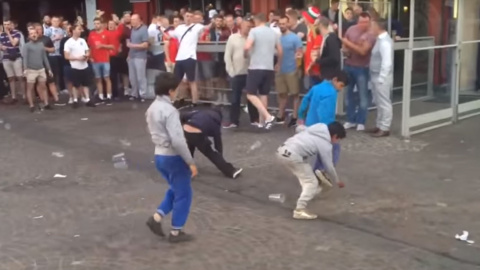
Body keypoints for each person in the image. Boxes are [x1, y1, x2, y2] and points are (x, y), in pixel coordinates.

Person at [145, 72, 198, 243]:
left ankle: (157, 217)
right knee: (184, 193)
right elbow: (178, 140)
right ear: (170, 91)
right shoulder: (170, 111)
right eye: (175, 89)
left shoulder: (151, 108)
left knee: (175, 189)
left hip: (159, 154)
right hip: (173, 157)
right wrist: (190, 162)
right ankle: (176, 231)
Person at [276, 122, 346, 220]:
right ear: (334, 136)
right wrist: (337, 180)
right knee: (311, 182)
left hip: (281, 151)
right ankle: (299, 210)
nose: (337, 142)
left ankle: (311, 192)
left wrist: (299, 126)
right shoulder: (325, 144)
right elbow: (329, 165)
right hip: (293, 157)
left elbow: (299, 128)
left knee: (306, 178)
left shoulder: (313, 129)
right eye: (338, 139)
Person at [178, 104, 243, 178]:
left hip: (186, 129)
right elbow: (218, 143)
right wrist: (220, 157)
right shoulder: (216, 125)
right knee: (210, 152)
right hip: (197, 132)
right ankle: (230, 171)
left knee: (190, 145)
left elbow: (182, 115)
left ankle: (183, 167)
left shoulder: (199, 112)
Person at [244, 13, 283, 130]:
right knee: (263, 94)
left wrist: (245, 54)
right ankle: (262, 122)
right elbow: (280, 50)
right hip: (269, 67)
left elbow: (247, 47)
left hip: (256, 67)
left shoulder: (254, 31)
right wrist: (278, 64)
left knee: (250, 94)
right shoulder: (273, 32)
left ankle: (267, 116)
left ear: (256, 20)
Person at [341, 12, 376, 131]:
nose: (363, 25)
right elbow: (344, 47)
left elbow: (363, 51)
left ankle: (361, 121)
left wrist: (348, 43)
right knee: (348, 95)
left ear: (370, 22)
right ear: (357, 21)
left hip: (362, 68)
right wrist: (346, 49)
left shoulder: (371, 34)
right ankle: (350, 119)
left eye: (366, 22)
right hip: (349, 65)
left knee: (363, 96)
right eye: (361, 22)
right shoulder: (351, 29)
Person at [223, 20, 259, 128]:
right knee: (235, 98)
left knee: (252, 97)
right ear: (241, 26)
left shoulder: (253, 39)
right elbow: (227, 55)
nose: (249, 29)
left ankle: (254, 119)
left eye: (251, 27)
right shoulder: (232, 38)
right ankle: (234, 121)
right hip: (237, 73)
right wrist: (231, 71)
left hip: (250, 72)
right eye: (248, 26)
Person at [168, 10, 206, 104]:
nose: (188, 18)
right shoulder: (180, 28)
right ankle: (171, 101)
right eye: (187, 16)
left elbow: (205, 28)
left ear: (192, 18)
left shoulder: (197, 27)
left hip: (190, 57)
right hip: (179, 58)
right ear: (184, 17)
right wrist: (161, 28)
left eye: (190, 16)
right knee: (176, 81)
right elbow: (169, 35)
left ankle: (195, 102)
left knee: (192, 81)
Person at [275, 16, 303, 127]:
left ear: (288, 24)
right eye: (280, 24)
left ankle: (295, 116)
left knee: (294, 94)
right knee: (282, 93)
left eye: (284, 23)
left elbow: (299, 54)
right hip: (280, 70)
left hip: (292, 69)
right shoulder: (277, 38)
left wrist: (297, 68)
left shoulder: (295, 38)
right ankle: (281, 114)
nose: (282, 25)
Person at [369, 18, 393, 137]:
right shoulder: (380, 40)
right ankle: (379, 124)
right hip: (376, 75)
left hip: (381, 76)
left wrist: (382, 77)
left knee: (384, 102)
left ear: (378, 27)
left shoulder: (384, 42)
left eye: (372, 26)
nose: (371, 28)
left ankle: (385, 127)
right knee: (379, 101)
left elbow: (387, 62)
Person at [64, 25, 95, 108]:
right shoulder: (68, 42)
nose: (80, 31)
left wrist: (87, 56)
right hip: (75, 66)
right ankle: (75, 100)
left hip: (84, 66)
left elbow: (87, 51)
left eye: (81, 29)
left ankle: (88, 99)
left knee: (86, 84)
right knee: (75, 85)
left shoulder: (82, 41)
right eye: (79, 29)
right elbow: (66, 56)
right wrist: (77, 58)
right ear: (73, 30)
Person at [23, 28, 53, 112]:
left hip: (41, 69)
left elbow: (44, 58)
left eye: (35, 33)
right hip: (31, 70)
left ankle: (46, 103)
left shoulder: (41, 44)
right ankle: (31, 105)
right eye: (31, 33)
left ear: (37, 34)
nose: (33, 35)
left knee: (43, 87)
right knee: (30, 88)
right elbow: (25, 58)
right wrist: (25, 69)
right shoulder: (27, 45)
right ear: (29, 36)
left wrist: (49, 69)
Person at [34, 23, 62, 106]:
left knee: (51, 81)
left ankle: (56, 98)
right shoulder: (31, 39)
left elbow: (53, 50)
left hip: (47, 62)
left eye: (40, 29)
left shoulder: (46, 39)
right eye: (37, 29)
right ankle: (43, 99)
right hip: (36, 63)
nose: (39, 31)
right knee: (39, 82)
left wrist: (44, 48)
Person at [88, 17, 114, 104]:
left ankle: (109, 96)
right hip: (95, 60)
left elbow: (112, 46)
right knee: (98, 79)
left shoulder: (107, 33)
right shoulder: (91, 34)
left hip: (105, 59)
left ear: (101, 24)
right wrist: (90, 57)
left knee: (106, 78)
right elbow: (90, 47)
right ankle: (101, 96)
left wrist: (103, 45)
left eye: (98, 23)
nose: (96, 25)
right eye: (95, 24)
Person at [127, 14, 149, 101]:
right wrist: (128, 55)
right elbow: (130, 43)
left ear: (139, 20)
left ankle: (143, 94)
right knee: (132, 77)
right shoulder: (132, 30)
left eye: (133, 19)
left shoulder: (144, 29)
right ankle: (134, 93)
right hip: (132, 56)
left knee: (141, 77)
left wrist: (132, 45)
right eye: (131, 20)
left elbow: (145, 44)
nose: (132, 21)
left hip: (140, 56)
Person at [1, 19, 24, 103]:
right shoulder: (1, 35)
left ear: (11, 25)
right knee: (10, 78)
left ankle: (24, 94)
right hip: (6, 58)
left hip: (16, 57)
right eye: (5, 24)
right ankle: (14, 96)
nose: (6, 26)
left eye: (8, 24)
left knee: (20, 76)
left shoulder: (16, 33)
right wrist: (1, 46)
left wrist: (8, 34)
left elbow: (14, 43)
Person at [302, 6, 322, 88]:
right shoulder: (311, 32)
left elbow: (316, 51)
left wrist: (310, 66)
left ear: (308, 18)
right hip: (311, 70)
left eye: (304, 16)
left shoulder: (315, 33)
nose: (303, 18)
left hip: (314, 71)